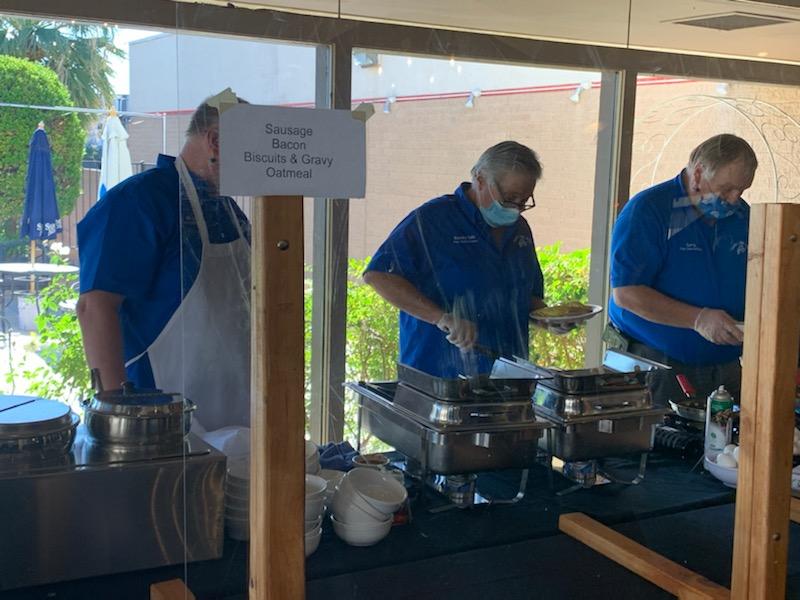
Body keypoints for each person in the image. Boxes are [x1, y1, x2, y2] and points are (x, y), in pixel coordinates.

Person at [77, 90, 251, 431]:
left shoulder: (229, 211)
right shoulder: (139, 202)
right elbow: (94, 308)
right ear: (215, 141)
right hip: (159, 415)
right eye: (252, 152)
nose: (257, 166)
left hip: (236, 412)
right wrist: (120, 416)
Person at [363, 140, 549, 378]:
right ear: (480, 180)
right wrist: (441, 317)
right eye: (509, 198)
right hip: (438, 375)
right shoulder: (432, 220)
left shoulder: (519, 229)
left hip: (507, 374)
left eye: (524, 201)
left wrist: (549, 318)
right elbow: (378, 276)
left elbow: (527, 297)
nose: (515, 209)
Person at [607, 133, 758, 406]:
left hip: (725, 365)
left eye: (742, 190)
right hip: (656, 364)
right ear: (698, 174)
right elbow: (627, 293)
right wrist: (698, 319)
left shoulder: (741, 215)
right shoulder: (650, 210)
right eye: (726, 189)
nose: (734, 199)